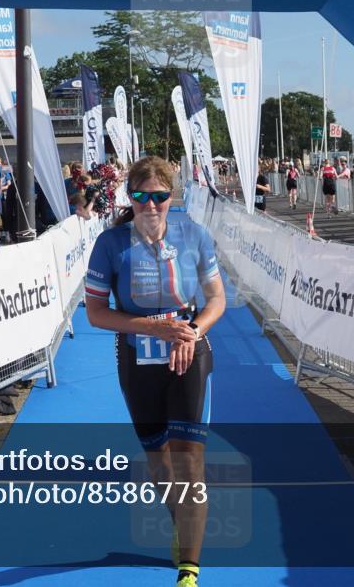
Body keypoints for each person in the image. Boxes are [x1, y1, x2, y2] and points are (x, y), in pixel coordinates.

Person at [85, 157, 226, 587]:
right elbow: (95, 314)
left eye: (160, 196)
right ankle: (179, 520)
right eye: (142, 196)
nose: (151, 205)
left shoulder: (194, 236)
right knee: (159, 463)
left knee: (190, 461)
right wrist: (150, 327)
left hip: (189, 355)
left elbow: (216, 300)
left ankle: (189, 566)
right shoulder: (110, 244)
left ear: (171, 197)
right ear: (131, 198)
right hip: (137, 361)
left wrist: (189, 333)